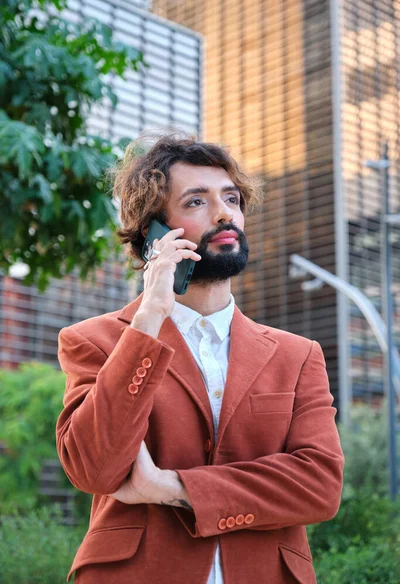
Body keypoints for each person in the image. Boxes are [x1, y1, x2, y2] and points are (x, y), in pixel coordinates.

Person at [56, 134, 344, 584]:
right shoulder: (94, 341)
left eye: (231, 198)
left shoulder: (297, 355)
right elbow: (95, 467)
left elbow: (320, 487)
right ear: (154, 232)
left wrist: (172, 488)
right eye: (196, 201)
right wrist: (149, 317)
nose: (224, 212)